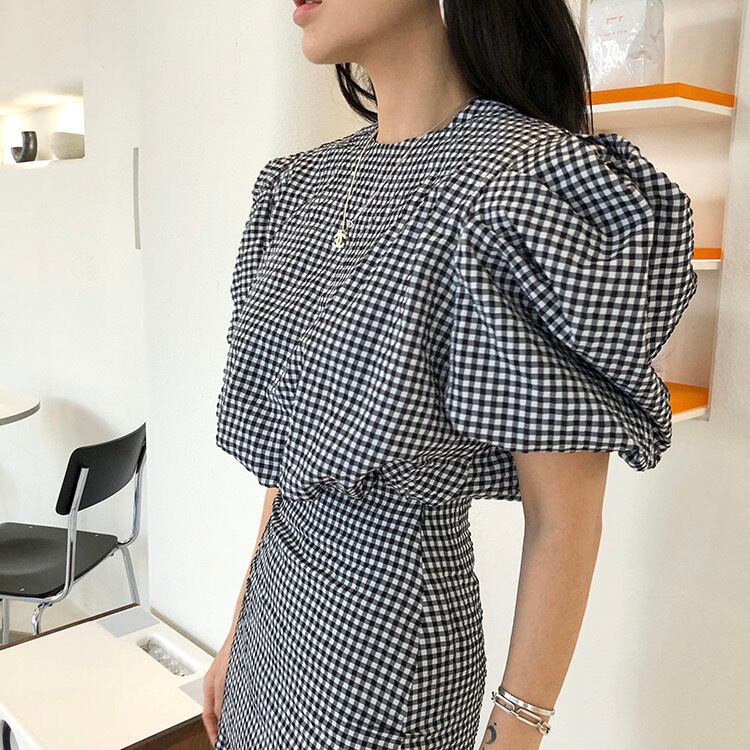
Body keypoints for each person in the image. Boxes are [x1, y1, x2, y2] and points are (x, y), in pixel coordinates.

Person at [202, 0, 698, 748]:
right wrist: (238, 627)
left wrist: (518, 731)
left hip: (383, 651)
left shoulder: (522, 181)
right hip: (272, 614)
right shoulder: (301, 186)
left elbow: (563, 518)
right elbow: (294, 458)